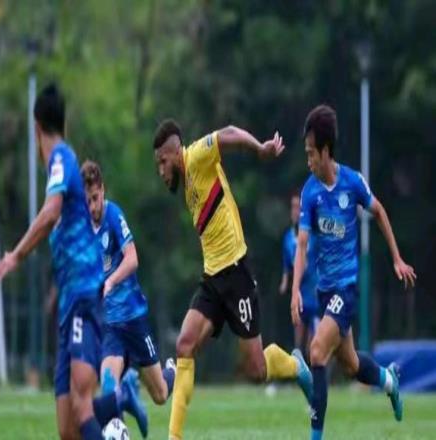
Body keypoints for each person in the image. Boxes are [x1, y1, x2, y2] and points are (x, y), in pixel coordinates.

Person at [0, 84, 141, 440]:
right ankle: (120, 398)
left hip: (85, 297)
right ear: (64, 121)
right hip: (68, 305)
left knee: (81, 403)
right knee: (67, 428)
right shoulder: (60, 167)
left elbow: (50, 212)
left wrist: (16, 255)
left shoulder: (60, 157)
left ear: (36, 127)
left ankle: (117, 400)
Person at [153, 120, 313, 440]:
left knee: (257, 370)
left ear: (175, 152)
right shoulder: (187, 182)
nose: (161, 171)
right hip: (212, 279)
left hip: (237, 273)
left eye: (162, 162)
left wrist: (260, 148)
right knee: (184, 345)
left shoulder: (196, 156)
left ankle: (297, 367)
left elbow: (228, 134)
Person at [291, 104, 417, 440]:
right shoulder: (310, 192)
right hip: (324, 292)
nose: (308, 160)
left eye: (311, 153)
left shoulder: (352, 182)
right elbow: (302, 244)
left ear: (325, 151)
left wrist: (396, 258)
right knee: (350, 365)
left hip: (346, 290)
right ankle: (389, 381)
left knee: (316, 351)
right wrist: (295, 290)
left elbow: (379, 212)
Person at [81, 160, 176, 438]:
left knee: (160, 394)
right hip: (109, 325)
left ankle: (172, 370)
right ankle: (119, 424)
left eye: (95, 198)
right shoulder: (83, 227)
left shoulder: (113, 215)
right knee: (108, 386)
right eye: (87, 201)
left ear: (103, 191)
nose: (92, 207)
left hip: (133, 318)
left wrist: (110, 281)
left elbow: (133, 258)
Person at [279, 191, 319, 356]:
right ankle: (299, 365)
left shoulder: (313, 237)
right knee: (298, 341)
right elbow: (287, 264)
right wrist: (284, 281)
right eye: (293, 207)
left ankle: (317, 367)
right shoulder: (287, 238)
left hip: (315, 294)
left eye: (298, 207)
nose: (295, 211)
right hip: (299, 293)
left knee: (314, 345)